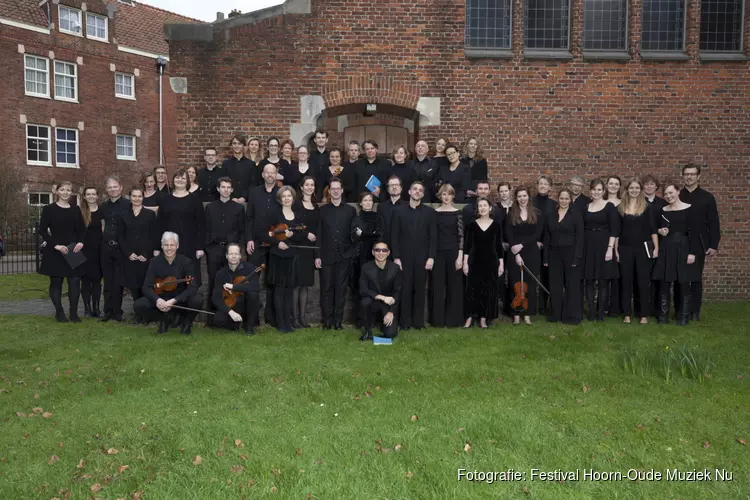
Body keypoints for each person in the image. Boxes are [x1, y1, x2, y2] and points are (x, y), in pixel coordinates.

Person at [264, 186, 313, 333]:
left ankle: (288, 321)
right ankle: (280, 323)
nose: (287, 198)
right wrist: (278, 242)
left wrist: (292, 237)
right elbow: (264, 233)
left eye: (289, 196)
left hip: (292, 256)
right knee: (279, 291)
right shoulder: (274, 215)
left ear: (293, 198)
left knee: (289, 290)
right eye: (284, 196)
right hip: (278, 255)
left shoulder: (297, 216)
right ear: (280, 199)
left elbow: (301, 235)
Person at [134, 232, 204, 335]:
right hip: (162, 298)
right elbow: (146, 287)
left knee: (197, 300)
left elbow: (192, 287)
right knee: (139, 305)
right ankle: (164, 320)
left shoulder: (186, 262)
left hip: (179, 298)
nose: (169, 248)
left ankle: (187, 322)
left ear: (177, 246)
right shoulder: (155, 262)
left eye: (172, 245)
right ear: (162, 246)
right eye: (166, 245)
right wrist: (158, 300)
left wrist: (174, 300)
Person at [653, 183, 701, 325]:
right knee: (664, 283)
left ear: (678, 192)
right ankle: (663, 317)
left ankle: (684, 317)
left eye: (671, 192)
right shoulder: (662, 210)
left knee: (684, 283)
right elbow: (657, 228)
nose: (668, 196)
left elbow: (695, 233)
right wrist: (660, 231)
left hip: (684, 248)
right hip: (667, 247)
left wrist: (692, 253)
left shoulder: (690, 209)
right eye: (666, 194)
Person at [391, 181, 436, 330]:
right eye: (414, 189)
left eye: (420, 190)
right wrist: (396, 257)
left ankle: (418, 322)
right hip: (404, 258)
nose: (417, 192)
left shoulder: (430, 213)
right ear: (409, 192)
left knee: (420, 289)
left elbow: (433, 237)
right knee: (404, 290)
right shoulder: (398, 211)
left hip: (423, 259)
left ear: (422, 194)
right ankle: (404, 322)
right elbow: (394, 236)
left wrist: (431, 257)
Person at [38, 181, 85, 322]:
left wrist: (81, 242)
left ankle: (74, 313)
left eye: (68, 190)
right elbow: (42, 230)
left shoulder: (75, 209)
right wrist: (55, 246)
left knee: (75, 281)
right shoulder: (49, 209)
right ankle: (59, 312)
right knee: (56, 282)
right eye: (62, 189)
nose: (65, 192)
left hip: (72, 249)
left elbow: (82, 230)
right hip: (55, 250)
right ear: (56, 191)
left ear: (71, 192)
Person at [678, 163, 720, 321]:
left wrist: (713, 244)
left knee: (695, 279)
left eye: (692, 174)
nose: (689, 177)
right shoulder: (677, 195)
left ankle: (694, 312)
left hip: (699, 244)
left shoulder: (707, 197)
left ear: (698, 176)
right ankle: (681, 310)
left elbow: (714, 223)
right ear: (683, 176)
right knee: (680, 279)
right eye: (686, 174)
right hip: (680, 242)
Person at [316, 178, 357, 329]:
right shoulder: (322, 211)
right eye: (332, 188)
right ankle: (327, 320)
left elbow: (353, 235)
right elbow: (319, 235)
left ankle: (338, 321)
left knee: (340, 290)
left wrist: (351, 252)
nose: (335, 191)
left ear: (341, 190)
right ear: (329, 191)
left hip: (344, 257)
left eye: (337, 188)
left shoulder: (350, 211)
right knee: (326, 289)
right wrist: (317, 256)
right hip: (326, 256)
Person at [617, 179, 658, 324]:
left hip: (642, 249)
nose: (634, 190)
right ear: (627, 189)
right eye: (631, 188)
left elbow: (653, 229)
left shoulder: (647, 207)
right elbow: (617, 231)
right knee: (626, 282)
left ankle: (643, 315)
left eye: (637, 188)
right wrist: (616, 250)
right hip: (625, 248)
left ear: (640, 190)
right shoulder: (621, 207)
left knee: (642, 281)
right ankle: (627, 314)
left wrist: (656, 247)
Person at [204, 177, 246, 321]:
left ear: (232, 190)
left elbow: (242, 230)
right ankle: (212, 317)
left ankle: (234, 315)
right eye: (223, 187)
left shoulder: (239, 208)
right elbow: (206, 229)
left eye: (228, 187)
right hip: (215, 249)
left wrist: (239, 250)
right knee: (214, 282)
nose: (226, 190)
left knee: (233, 283)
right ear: (218, 188)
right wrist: (208, 247)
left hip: (232, 250)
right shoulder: (210, 207)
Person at [117, 187, 159, 325]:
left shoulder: (150, 215)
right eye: (134, 196)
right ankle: (137, 314)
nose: (136, 199)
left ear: (143, 198)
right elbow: (120, 236)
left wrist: (146, 254)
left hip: (144, 257)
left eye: (139, 196)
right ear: (130, 197)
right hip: (130, 257)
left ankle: (147, 315)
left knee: (145, 287)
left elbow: (154, 236)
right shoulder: (123, 215)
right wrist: (128, 254)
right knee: (134, 287)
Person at [245, 164, 281, 326]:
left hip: (274, 243)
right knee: (252, 279)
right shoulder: (254, 192)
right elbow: (249, 218)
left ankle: (271, 317)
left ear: (276, 175)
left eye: (273, 172)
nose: (270, 175)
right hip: (257, 243)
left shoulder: (281, 193)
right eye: (267, 172)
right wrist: (249, 239)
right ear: (263, 174)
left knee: (273, 280)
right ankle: (253, 318)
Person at [158, 169, 206, 286]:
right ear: (173, 180)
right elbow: (160, 224)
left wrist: (200, 247)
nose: (180, 180)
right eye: (177, 177)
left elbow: (201, 224)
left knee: (190, 278)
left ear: (187, 181)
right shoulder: (165, 200)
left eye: (183, 178)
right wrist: (158, 246)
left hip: (190, 245)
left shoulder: (195, 200)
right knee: (171, 278)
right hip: (170, 245)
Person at [543, 188, 584, 324]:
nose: (564, 201)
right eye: (562, 198)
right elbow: (547, 237)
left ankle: (571, 316)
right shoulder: (551, 215)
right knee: (555, 285)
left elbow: (580, 237)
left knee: (571, 285)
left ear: (570, 200)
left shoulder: (576, 215)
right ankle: (556, 314)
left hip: (571, 253)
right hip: (554, 253)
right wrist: (546, 257)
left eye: (567, 198)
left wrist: (577, 256)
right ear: (558, 199)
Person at [582, 179, 620, 321]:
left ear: (603, 191)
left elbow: (614, 229)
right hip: (588, 245)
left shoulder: (609, 207)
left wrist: (610, 249)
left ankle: (600, 313)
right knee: (589, 280)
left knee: (603, 281)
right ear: (590, 191)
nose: (596, 192)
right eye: (594, 189)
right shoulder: (586, 207)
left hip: (604, 244)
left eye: (599, 190)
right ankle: (591, 313)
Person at [463, 197, 504, 328]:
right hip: (474, 261)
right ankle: (469, 318)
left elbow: (499, 246)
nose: (482, 208)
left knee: (488, 290)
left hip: (491, 261)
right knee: (472, 290)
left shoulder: (496, 225)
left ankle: (483, 318)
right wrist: (465, 263)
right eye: (480, 206)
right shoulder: (471, 225)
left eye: (485, 205)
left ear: (490, 208)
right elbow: (467, 245)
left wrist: (501, 264)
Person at [506, 187, 543, 325]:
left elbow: (537, 234)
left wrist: (522, 246)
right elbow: (509, 234)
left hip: (531, 252)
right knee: (515, 283)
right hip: (514, 252)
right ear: (516, 198)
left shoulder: (537, 213)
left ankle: (528, 314)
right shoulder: (511, 213)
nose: (522, 198)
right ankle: (516, 314)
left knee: (530, 284)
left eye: (524, 195)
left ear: (529, 197)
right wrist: (516, 252)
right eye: (519, 196)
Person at [211, 243, 261, 335]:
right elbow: (215, 298)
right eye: (230, 254)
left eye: (236, 254)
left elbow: (256, 286)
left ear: (240, 256)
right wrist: (230, 312)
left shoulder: (248, 268)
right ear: (226, 256)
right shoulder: (221, 273)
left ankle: (249, 326)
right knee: (218, 320)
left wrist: (234, 287)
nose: (233, 256)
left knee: (253, 295)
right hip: (231, 305)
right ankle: (235, 323)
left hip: (246, 304)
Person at [351, 192, 385, 326]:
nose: (368, 202)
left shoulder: (378, 218)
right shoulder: (356, 219)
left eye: (370, 200)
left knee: (375, 286)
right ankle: (360, 319)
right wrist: (371, 235)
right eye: (365, 200)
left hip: (375, 256)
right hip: (359, 257)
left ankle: (374, 319)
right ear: (360, 203)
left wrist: (363, 234)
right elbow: (354, 237)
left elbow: (380, 236)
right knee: (361, 287)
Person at [99, 175, 130, 322]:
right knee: (108, 281)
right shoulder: (103, 206)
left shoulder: (128, 205)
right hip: (106, 247)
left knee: (118, 281)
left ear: (121, 187)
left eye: (115, 186)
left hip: (120, 248)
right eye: (110, 187)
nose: (113, 189)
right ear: (106, 189)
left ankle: (118, 312)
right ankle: (107, 311)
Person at [433, 185, 464, 328]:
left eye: (449, 194)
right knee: (437, 287)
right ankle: (437, 321)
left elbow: (461, 237)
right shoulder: (434, 213)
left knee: (454, 287)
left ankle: (454, 320)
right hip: (438, 254)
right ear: (440, 196)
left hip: (454, 254)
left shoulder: (458, 213)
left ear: (453, 196)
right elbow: (431, 236)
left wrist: (460, 257)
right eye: (443, 194)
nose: (446, 197)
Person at [359, 241, 402, 341]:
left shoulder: (395, 268)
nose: (381, 253)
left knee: (391, 334)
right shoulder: (366, 267)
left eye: (384, 250)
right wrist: (382, 297)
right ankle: (367, 331)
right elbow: (363, 290)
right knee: (364, 302)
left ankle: (385, 326)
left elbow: (398, 291)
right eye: (377, 250)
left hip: (388, 305)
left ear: (388, 253)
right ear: (373, 252)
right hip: (372, 302)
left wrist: (391, 312)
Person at [641, 174, 667, 317]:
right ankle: (643, 308)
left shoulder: (662, 203)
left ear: (656, 187)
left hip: (661, 243)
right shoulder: (638, 202)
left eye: (652, 184)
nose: (649, 186)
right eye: (646, 184)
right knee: (644, 277)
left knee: (658, 276)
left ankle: (657, 308)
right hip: (644, 243)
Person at [295, 176, 319, 327]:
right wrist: (306, 234)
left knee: (305, 285)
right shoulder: (296, 205)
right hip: (298, 248)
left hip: (309, 250)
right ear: (302, 187)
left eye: (312, 185)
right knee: (295, 285)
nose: (309, 187)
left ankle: (303, 318)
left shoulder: (316, 207)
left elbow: (317, 229)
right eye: (307, 185)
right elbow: (292, 225)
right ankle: (295, 319)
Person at [79, 186, 102, 318]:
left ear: (97, 196)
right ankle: (87, 309)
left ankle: (96, 308)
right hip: (83, 251)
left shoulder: (102, 211)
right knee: (86, 281)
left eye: (94, 194)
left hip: (99, 251)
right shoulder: (80, 211)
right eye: (88, 194)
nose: (91, 196)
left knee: (97, 281)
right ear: (84, 196)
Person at [533, 175, 554, 316]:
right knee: (533, 273)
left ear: (550, 187)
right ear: (537, 185)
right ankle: (529, 304)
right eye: (540, 183)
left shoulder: (554, 204)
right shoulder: (530, 202)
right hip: (533, 243)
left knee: (546, 275)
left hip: (548, 244)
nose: (543, 186)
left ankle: (543, 305)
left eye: (546, 184)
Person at [604, 175, 623, 317]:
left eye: (616, 184)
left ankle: (616, 307)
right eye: (611, 183)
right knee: (604, 276)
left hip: (621, 242)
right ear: (606, 185)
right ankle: (603, 305)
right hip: (605, 242)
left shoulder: (623, 203)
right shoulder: (601, 202)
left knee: (618, 277)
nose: (613, 186)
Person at [222, 135, 257, 204]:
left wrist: (244, 197)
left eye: (239, 144)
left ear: (244, 146)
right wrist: (231, 197)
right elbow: (223, 183)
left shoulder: (251, 164)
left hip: (246, 202)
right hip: (229, 201)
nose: (237, 146)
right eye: (234, 143)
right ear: (231, 145)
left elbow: (253, 184)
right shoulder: (226, 164)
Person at [377, 176, 404, 246]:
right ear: (388, 189)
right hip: (385, 247)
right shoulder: (381, 207)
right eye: (391, 185)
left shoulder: (407, 206)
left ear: (401, 188)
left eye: (397, 185)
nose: (394, 187)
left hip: (403, 246)